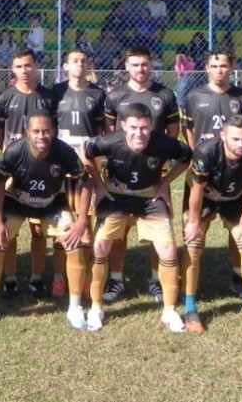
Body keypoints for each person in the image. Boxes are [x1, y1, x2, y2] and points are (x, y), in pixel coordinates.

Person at [81, 103, 191, 332]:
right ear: (123, 126)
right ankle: (96, 307)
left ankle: (170, 310)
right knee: (100, 246)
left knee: (169, 250)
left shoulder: (163, 143)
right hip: (116, 197)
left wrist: (164, 183)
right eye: (133, 127)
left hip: (149, 198)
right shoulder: (110, 141)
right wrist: (98, 184)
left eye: (144, 127)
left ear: (151, 126)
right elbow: (86, 152)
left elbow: (186, 157)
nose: (139, 133)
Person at [0, 111, 92, 328]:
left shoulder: (64, 152)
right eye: (36, 131)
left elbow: (85, 182)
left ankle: (75, 307)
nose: (41, 136)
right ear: (27, 132)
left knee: (75, 244)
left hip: (52, 203)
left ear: (54, 131)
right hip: (17, 202)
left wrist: (81, 220)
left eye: (46, 131)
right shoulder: (15, 151)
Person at [101, 45, 181, 303]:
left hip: (154, 174)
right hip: (120, 174)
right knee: (118, 232)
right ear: (126, 66)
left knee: (158, 234)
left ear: (151, 64)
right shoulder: (115, 96)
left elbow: (173, 133)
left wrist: (162, 168)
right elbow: (109, 134)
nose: (140, 69)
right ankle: (116, 280)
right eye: (134, 64)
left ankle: (157, 281)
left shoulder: (164, 94)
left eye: (144, 64)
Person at [182, 115, 242, 334]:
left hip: (235, 200)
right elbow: (196, 190)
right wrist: (194, 222)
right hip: (204, 199)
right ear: (223, 136)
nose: (241, 144)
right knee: (193, 245)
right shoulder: (205, 152)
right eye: (235, 139)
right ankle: (190, 308)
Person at [179, 50, 242, 299]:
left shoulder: (240, 96)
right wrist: (195, 154)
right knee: (194, 230)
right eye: (214, 65)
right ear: (206, 68)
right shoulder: (194, 96)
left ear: (231, 67)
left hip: (233, 173)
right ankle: (189, 285)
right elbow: (188, 128)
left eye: (223, 65)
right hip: (203, 172)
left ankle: (238, 277)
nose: (219, 70)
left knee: (239, 231)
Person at [0, 49, 57, 297]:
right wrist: (10, 153)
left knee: (38, 229)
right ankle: (10, 278)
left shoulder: (48, 97)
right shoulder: (5, 97)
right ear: (13, 69)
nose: (24, 71)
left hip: (41, 168)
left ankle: (36, 278)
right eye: (19, 66)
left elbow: (53, 132)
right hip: (14, 170)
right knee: (10, 229)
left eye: (28, 65)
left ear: (36, 66)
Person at [49, 48, 106, 299]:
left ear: (88, 65)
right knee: (61, 222)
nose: (79, 65)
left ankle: (86, 277)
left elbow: (103, 132)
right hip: (61, 166)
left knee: (86, 222)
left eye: (83, 61)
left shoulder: (98, 93)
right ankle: (58, 277)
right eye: (74, 61)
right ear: (65, 66)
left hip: (87, 166)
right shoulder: (56, 92)